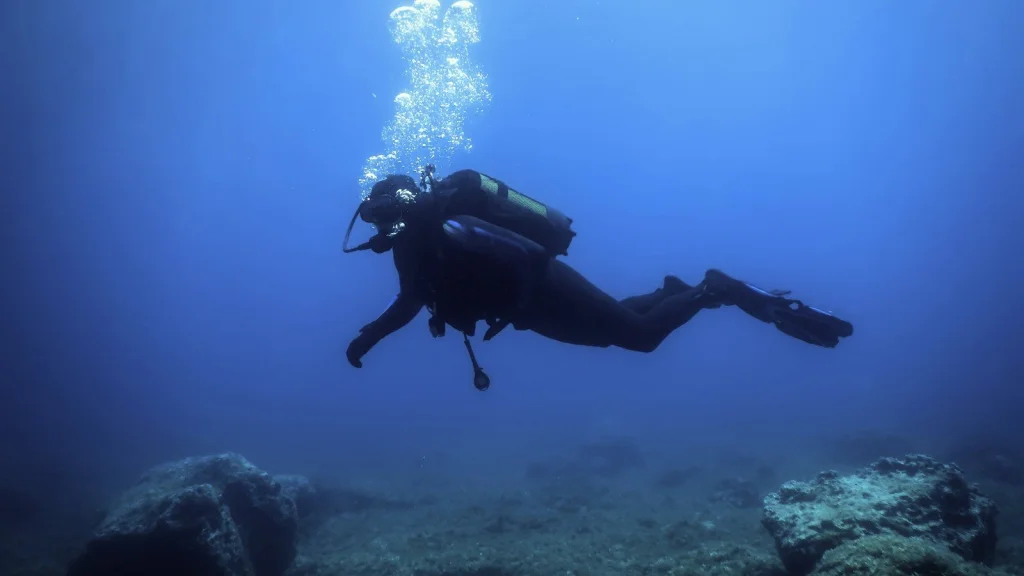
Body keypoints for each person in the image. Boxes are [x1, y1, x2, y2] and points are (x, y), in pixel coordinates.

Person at [342, 166, 853, 387]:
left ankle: (714, 287)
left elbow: (522, 257)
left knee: (639, 339)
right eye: (374, 217)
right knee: (609, 334)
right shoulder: (411, 249)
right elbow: (409, 301)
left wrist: (520, 304)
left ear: (406, 202)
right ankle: (669, 292)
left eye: (385, 212)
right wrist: (368, 338)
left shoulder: (453, 225)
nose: (381, 225)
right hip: (524, 311)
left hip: (541, 288)